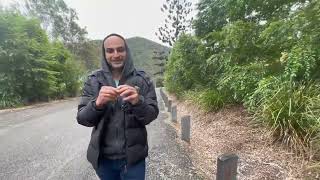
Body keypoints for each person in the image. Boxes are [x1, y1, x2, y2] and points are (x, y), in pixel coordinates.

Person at [76, 33, 159, 180]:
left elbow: (151, 115)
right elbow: (83, 118)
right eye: (110, 50)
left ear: (127, 51)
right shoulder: (93, 80)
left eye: (120, 49)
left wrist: (138, 102)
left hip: (134, 160)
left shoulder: (142, 79)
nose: (116, 55)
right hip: (103, 160)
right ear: (104, 54)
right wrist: (97, 104)